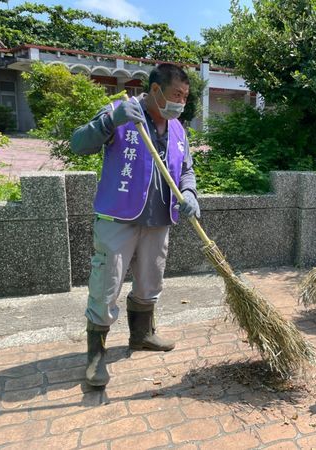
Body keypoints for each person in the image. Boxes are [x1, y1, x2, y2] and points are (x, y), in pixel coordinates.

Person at [70, 63, 200, 387]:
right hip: (119, 218)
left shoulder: (178, 129)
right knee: (106, 286)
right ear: (155, 90)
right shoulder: (121, 112)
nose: (181, 102)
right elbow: (78, 144)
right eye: (176, 95)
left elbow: (186, 170)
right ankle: (96, 356)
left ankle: (142, 335)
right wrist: (110, 121)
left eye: (185, 96)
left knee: (150, 283)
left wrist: (189, 191)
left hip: (158, 222)